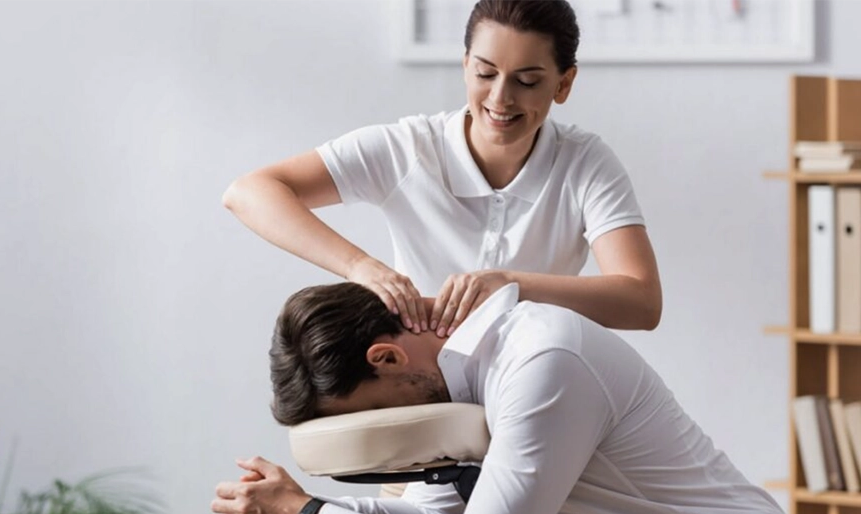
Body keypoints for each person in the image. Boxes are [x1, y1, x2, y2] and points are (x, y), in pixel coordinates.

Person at [211, 282, 847, 514]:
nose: (387, 439)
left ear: (385, 356)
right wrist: (298, 512)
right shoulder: (461, 393)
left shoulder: (541, 363)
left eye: (373, 415)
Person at [223, 0, 662, 339]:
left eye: (527, 81)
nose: (501, 98)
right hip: (420, 376)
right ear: (465, 65)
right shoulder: (409, 149)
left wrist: (508, 284)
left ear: (563, 84)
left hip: (534, 375)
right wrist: (360, 266)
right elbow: (250, 192)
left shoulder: (584, 163)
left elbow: (642, 302)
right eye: (485, 73)